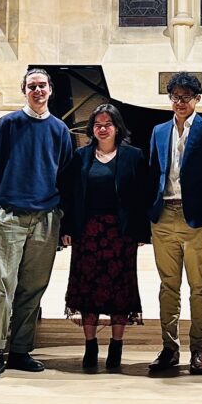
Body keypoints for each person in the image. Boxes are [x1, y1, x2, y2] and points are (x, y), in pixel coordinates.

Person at [0, 68, 74, 381]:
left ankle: (19, 350)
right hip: (9, 216)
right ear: (24, 90)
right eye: (32, 86)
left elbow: (66, 177)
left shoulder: (60, 130)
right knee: (0, 286)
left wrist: (62, 217)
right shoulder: (8, 124)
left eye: (42, 85)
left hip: (46, 218)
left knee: (33, 288)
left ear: (50, 90)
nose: (38, 90)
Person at [61, 104, 149, 370]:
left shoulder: (133, 155)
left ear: (117, 127)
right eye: (97, 124)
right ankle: (90, 347)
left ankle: (116, 346)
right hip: (88, 232)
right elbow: (70, 195)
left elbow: (142, 195)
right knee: (88, 290)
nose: (102, 128)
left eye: (107, 124)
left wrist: (140, 232)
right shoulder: (81, 156)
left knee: (119, 291)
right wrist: (68, 228)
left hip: (120, 234)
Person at [146, 71, 202, 375]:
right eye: (175, 97)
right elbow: (153, 172)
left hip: (196, 219)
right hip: (164, 215)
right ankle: (169, 348)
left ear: (197, 99)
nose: (179, 102)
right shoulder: (158, 130)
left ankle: (199, 350)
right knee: (168, 286)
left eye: (186, 97)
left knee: (198, 286)